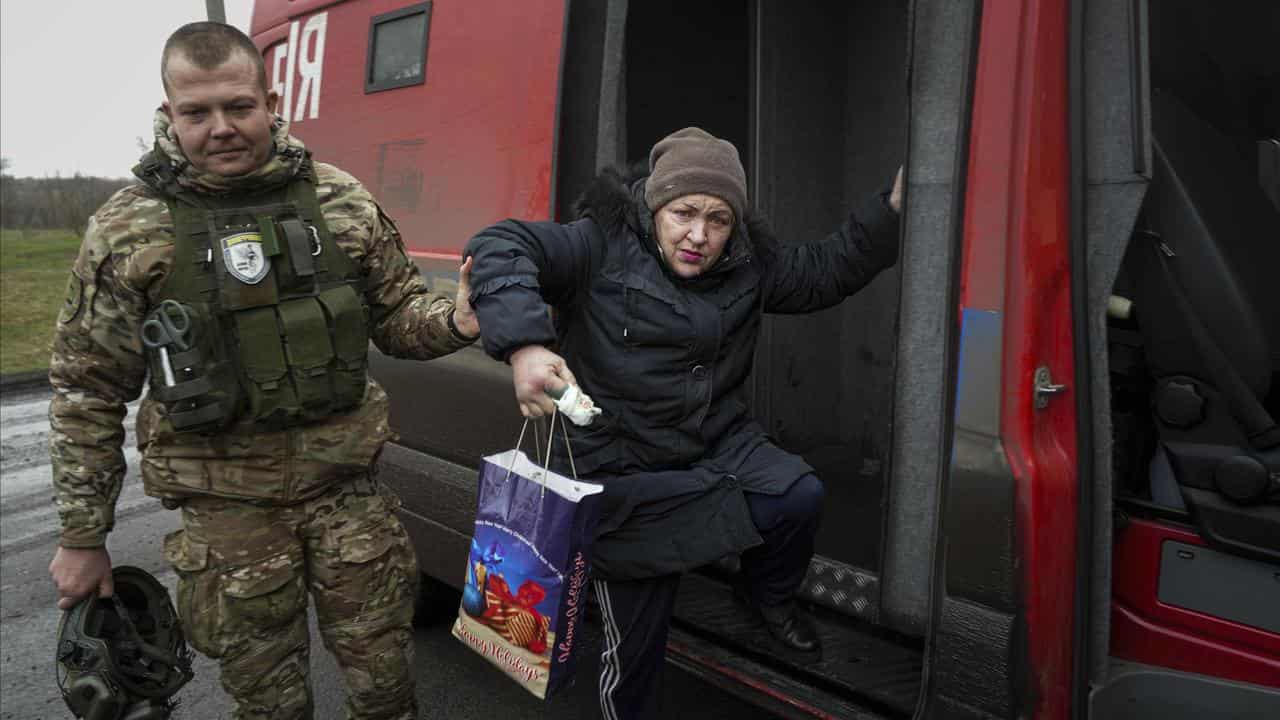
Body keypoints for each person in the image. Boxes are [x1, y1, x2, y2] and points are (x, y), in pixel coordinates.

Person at [46, 22, 479, 720]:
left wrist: (455, 322)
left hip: (349, 502)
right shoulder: (131, 229)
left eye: (238, 107)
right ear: (169, 113)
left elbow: (398, 315)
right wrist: (81, 537)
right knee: (269, 707)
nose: (221, 127)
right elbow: (86, 388)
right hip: (227, 517)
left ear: (271, 102)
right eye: (197, 112)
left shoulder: (339, 201)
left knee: (387, 692)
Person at [465, 127, 902, 719]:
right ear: (655, 206)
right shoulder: (597, 245)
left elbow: (826, 270)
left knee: (798, 495)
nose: (699, 235)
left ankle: (763, 596)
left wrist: (892, 211)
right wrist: (525, 346)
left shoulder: (751, 263)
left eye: (718, 219)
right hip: (617, 463)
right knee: (636, 650)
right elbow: (501, 244)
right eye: (684, 213)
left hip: (711, 441)